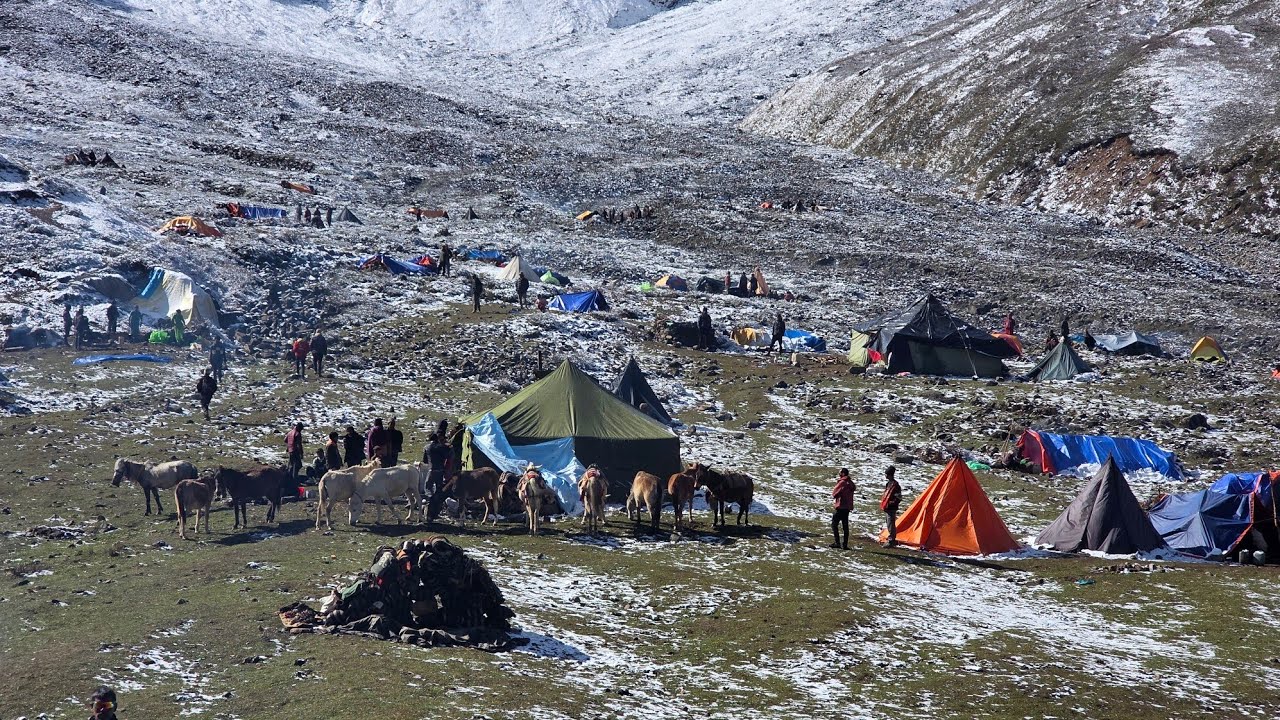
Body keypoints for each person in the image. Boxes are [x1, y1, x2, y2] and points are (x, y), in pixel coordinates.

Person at [422, 432, 454, 519]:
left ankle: (428, 510)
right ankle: (435, 511)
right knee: (439, 490)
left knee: (428, 488)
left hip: (431, 470)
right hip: (440, 471)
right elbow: (449, 455)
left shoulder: (427, 447)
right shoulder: (443, 447)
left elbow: (425, 461)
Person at [831, 468, 855, 549]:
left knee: (834, 524)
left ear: (843, 473)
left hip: (841, 506)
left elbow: (834, 493)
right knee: (845, 526)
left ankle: (837, 542)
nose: (839, 474)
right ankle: (845, 544)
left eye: (840, 473)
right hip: (847, 507)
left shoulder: (842, 483)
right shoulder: (851, 483)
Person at [880, 466, 902, 548]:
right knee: (889, 523)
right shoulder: (888, 484)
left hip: (891, 508)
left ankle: (891, 540)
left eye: (886, 474)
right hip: (887, 507)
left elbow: (898, 498)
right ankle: (891, 539)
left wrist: (891, 503)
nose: (885, 475)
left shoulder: (895, 486)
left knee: (891, 524)